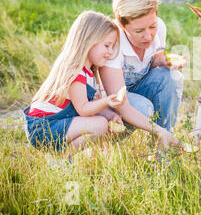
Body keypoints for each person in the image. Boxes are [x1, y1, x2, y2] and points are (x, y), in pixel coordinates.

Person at [24, 11, 126, 155]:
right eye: (107, 45)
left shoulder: (89, 72)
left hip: (56, 123)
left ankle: (64, 157)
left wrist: (111, 116)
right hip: (44, 126)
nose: (110, 52)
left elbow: (93, 104)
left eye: (112, 46)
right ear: (89, 42)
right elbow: (84, 109)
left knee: (102, 121)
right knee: (99, 125)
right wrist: (107, 101)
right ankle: (62, 159)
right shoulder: (75, 71)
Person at [99, 0, 185, 150]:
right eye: (139, 31)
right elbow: (119, 101)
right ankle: (103, 145)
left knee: (171, 77)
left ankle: (163, 146)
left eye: (152, 27)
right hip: (111, 99)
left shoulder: (159, 26)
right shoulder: (112, 42)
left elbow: (153, 60)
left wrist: (164, 61)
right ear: (122, 25)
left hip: (137, 87)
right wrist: (156, 129)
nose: (148, 36)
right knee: (143, 108)